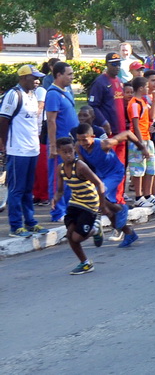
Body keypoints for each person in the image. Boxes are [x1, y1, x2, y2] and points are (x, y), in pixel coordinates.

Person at [75, 123, 143, 247]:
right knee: (106, 208)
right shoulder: (79, 147)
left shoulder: (103, 144)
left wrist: (141, 146)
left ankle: (121, 209)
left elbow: (128, 133)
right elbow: (82, 164)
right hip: (100, 176)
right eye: (79, 140)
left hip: (115, 173)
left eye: (84, 140)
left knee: (98, 196)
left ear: (93, 136)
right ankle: (129, 233)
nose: (82, 143)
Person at [1, 65, 47, 236]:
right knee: (16, 189)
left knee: (28, 189)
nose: (37, 81)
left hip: (31, 150)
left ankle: (30, 222)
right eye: (33, 77)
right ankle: (15, 226)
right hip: (17, 150)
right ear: (23, 78)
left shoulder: (33, 95)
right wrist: (3, 144)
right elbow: (3, 120)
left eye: (38, 77)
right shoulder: (14, 95)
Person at [51, 137, 106, 274]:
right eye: (65, 152)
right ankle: (85, 263)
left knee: (77, 237)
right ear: (58, 152)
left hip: (90, 203)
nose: (69, 155)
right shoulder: (60, 169)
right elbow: (60, 191)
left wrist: (102, 206)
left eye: (71, 151)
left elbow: (99, 184)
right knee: (70, 234)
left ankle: (95, 228)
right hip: (76, 202)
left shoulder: (80, 166)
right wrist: (55, 200)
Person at [89, 53, 128, 203]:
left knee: (120, 168)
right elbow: (93, 105)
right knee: (109, 169)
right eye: (114, 64)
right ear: (107, 64)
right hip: (109, 135)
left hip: (121, 132)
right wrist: (104, 122)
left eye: (118, 64)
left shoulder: (118, 80)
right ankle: (108, 199)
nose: (117, 67)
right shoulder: (100, 82)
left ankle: (118, 198)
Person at [44, 62, 79, 222]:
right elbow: (51, 121)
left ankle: (68, 209)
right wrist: (53, 147)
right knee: (57, 179)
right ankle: (57, 212)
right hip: (59, 146)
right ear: (58, 75)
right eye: (69, 74)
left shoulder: (66, 91)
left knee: (69, 178)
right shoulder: (53, 93)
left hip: (70, 145)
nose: (72, 77)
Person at [126, 77, 155, 206]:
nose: (148, 88)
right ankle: (139, 197)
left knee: (150, 168)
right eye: (146, 86)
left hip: (147, 138)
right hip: (138, 141)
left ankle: (148, 194)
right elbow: (136, 125)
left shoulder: (143, 102)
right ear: (140, 88)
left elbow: (151, 116)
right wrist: (141, 144)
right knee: (138, 168)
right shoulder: (134, 104)